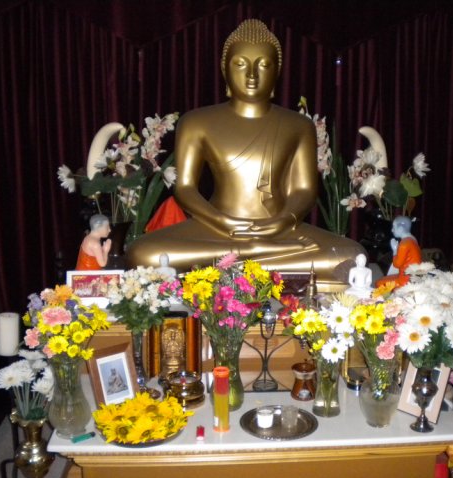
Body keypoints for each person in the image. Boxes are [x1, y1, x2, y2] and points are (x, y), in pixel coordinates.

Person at [126, 19, 365, 290]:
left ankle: (236, 262)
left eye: (263, 65)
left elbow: (304, 190)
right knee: (142, 253)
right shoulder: (196, 122)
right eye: (240, 64)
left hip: (280, 231)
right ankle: (254, 256)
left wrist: (281, 222)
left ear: (277, 72)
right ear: (225, 69)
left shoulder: (298, 125)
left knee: (349, 256)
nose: (252, 75)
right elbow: (185, 188)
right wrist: (224, 222)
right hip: (215, 228)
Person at [375, 216, 421, 288]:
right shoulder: (413, 238)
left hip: (405, 280)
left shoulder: (404, 244)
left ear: (400, 229)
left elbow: (397, 264)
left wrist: (395, 250)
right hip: (411, 276)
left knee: (378, 283)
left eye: (394, 227)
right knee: (385, 278)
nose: (392, 230)